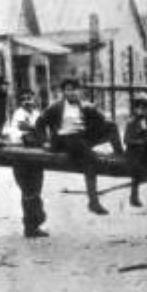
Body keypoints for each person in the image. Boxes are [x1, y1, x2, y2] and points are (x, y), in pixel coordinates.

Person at [35, 78, 124, 215]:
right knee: (90, 159)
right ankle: (93, 202)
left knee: (111, 126)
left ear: (79, 91)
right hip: (64, 139)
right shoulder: (56, 107)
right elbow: (40, 122)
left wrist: (95, 111)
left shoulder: (84, 106)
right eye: (68, 90)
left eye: (74, 90)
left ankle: (120, 154)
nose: (72, 93)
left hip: (81, 138)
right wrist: (44, 142)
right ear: (64, 92)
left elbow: (102, 121)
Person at [8, 89, 47, 238]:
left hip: (36, 157)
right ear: (20, 102)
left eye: (30, 98)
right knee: (28, 191)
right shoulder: (19, 114)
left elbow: (42, 130)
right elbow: (25, 129)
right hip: (21, 157)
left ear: (34, 99)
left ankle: (35, 225)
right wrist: (37, 130)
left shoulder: (36, 113)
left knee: (36, 189)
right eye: (24, 98)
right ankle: (30, 226)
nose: (27, 101)